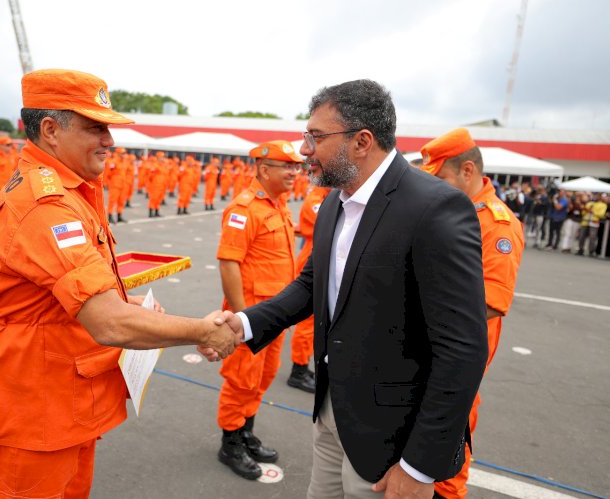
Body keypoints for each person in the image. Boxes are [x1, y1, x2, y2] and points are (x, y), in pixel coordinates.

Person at [202, 79, 487, 498]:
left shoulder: (434, 207)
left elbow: (463, 348)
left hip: (392, 439)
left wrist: (420, 466)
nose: (304, 150)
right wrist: (241, 325)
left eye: (315, 137)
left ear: (362, 141)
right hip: (332, 411)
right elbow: (311, 286)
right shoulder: (335, 203)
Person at [0, 69, 240, 498]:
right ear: (50, 130)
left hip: (67, 400)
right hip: (37, 409)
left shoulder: (72, 192)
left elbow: (69, 293)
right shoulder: (47, 206)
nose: (109, 141)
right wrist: (202, 331)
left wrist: (125, 301)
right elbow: (109, 324)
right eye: (95, 127)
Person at [420, 128, 524, 499]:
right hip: (430, 350)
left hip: (456, 359)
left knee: (447, 460)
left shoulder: (496, 223)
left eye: (442, 178)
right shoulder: (456, 211)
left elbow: (492, 302)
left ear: (467, 170)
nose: (437, 187)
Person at [215, 140, 302, 480]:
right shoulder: (244, 209)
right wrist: (241, 319)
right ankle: (230, 443)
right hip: (251, 317)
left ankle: (246, 431)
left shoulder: (279, 205)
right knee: (241, 381)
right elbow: (228, 263)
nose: (296, 172)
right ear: (265, 170)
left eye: (297, 166)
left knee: (263, 378)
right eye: (288, 166)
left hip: (273, 315)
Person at [287, 183, 330, 393]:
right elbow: (329, 224)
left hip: (319, 258)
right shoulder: (316, 200)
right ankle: (298, 371)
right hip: (313, 260)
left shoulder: (325, 197)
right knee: (306, 322)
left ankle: (303, 365)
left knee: (313, 322)